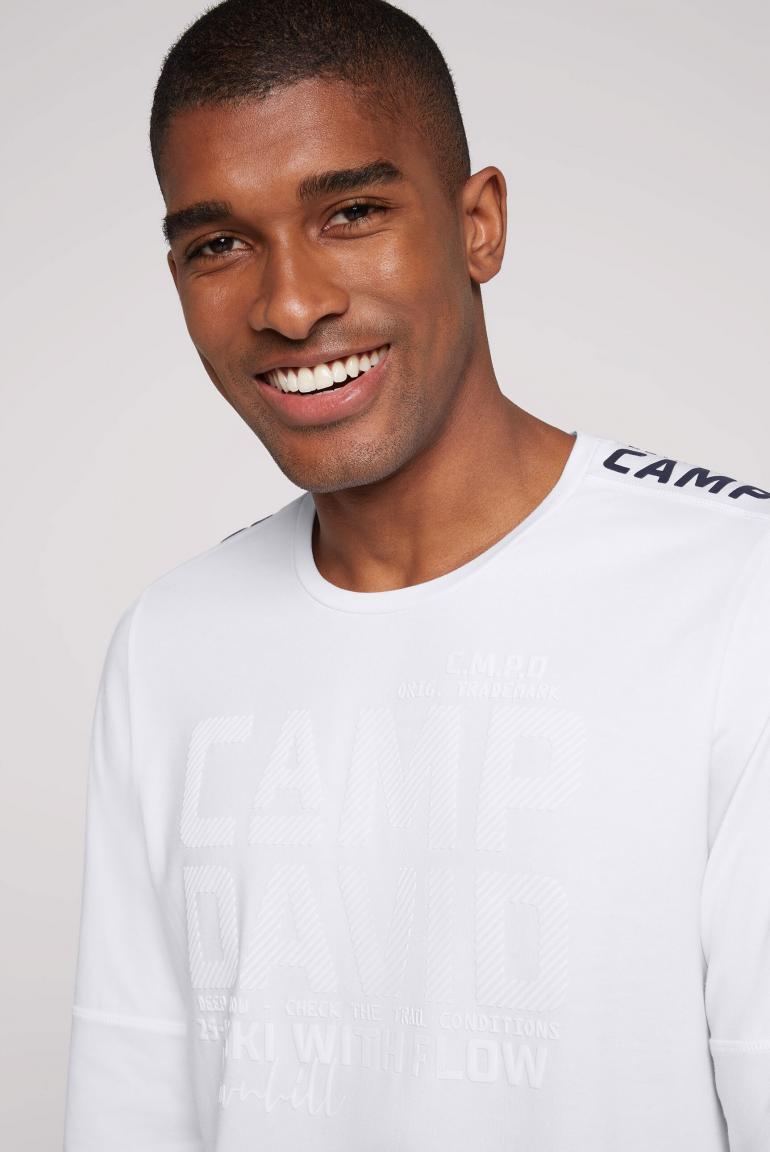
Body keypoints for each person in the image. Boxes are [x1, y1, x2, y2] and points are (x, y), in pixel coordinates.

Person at [63, 0, 770, 1149]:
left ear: (477, 224)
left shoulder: (735, 596)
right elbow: (130, 1110)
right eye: (218, 244)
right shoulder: (170, 644)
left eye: (349, 213)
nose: (291, 305)